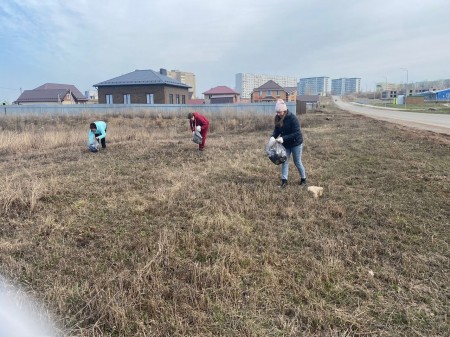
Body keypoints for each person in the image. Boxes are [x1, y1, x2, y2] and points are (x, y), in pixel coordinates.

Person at [269, 99, 307, 189]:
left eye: (279, 112)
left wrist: (283, 138)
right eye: (277, 112)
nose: (278, 114)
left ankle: (303, 180)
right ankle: (284, 182)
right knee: (284, 162)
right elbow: (277, 130)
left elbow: (297, 132)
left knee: (297, 162)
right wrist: (273, 137)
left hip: (296, 143)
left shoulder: (293, 118)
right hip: (286, 144)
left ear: (284, 110)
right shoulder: (278, 118)